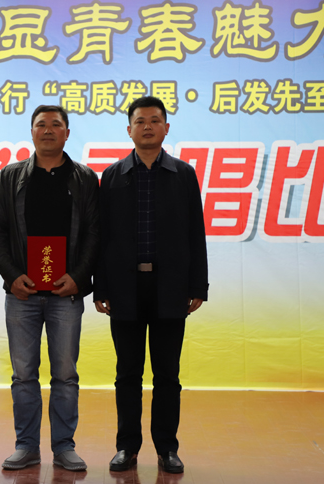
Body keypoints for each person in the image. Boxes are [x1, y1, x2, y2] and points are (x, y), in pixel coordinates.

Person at [94, 96, 208, 474]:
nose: (147, 126)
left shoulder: (183, 174)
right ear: (129, 130)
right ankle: (127, 447)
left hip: (170, 287)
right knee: (127, 374)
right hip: (124, 289)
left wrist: (198, 286)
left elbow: (195, 233)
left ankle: (167, 449)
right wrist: (101, 288)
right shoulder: (112, 176)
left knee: (167, 376)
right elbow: (102, 237)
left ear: (166, 128)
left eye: (155, 120)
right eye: (140, 121)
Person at [0, 105, 99, 472]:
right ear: (31, 131)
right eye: (41, 125)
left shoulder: (84, 178)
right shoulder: (11, 176)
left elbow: (95, 233)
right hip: (22, 294)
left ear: (67, 132)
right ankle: (26, 446)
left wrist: (79, 277)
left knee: (65, 374)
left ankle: (64, 446)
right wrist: (12, 276)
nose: (48, 130)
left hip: (66, 294)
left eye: (56, 125)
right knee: (23, 374)